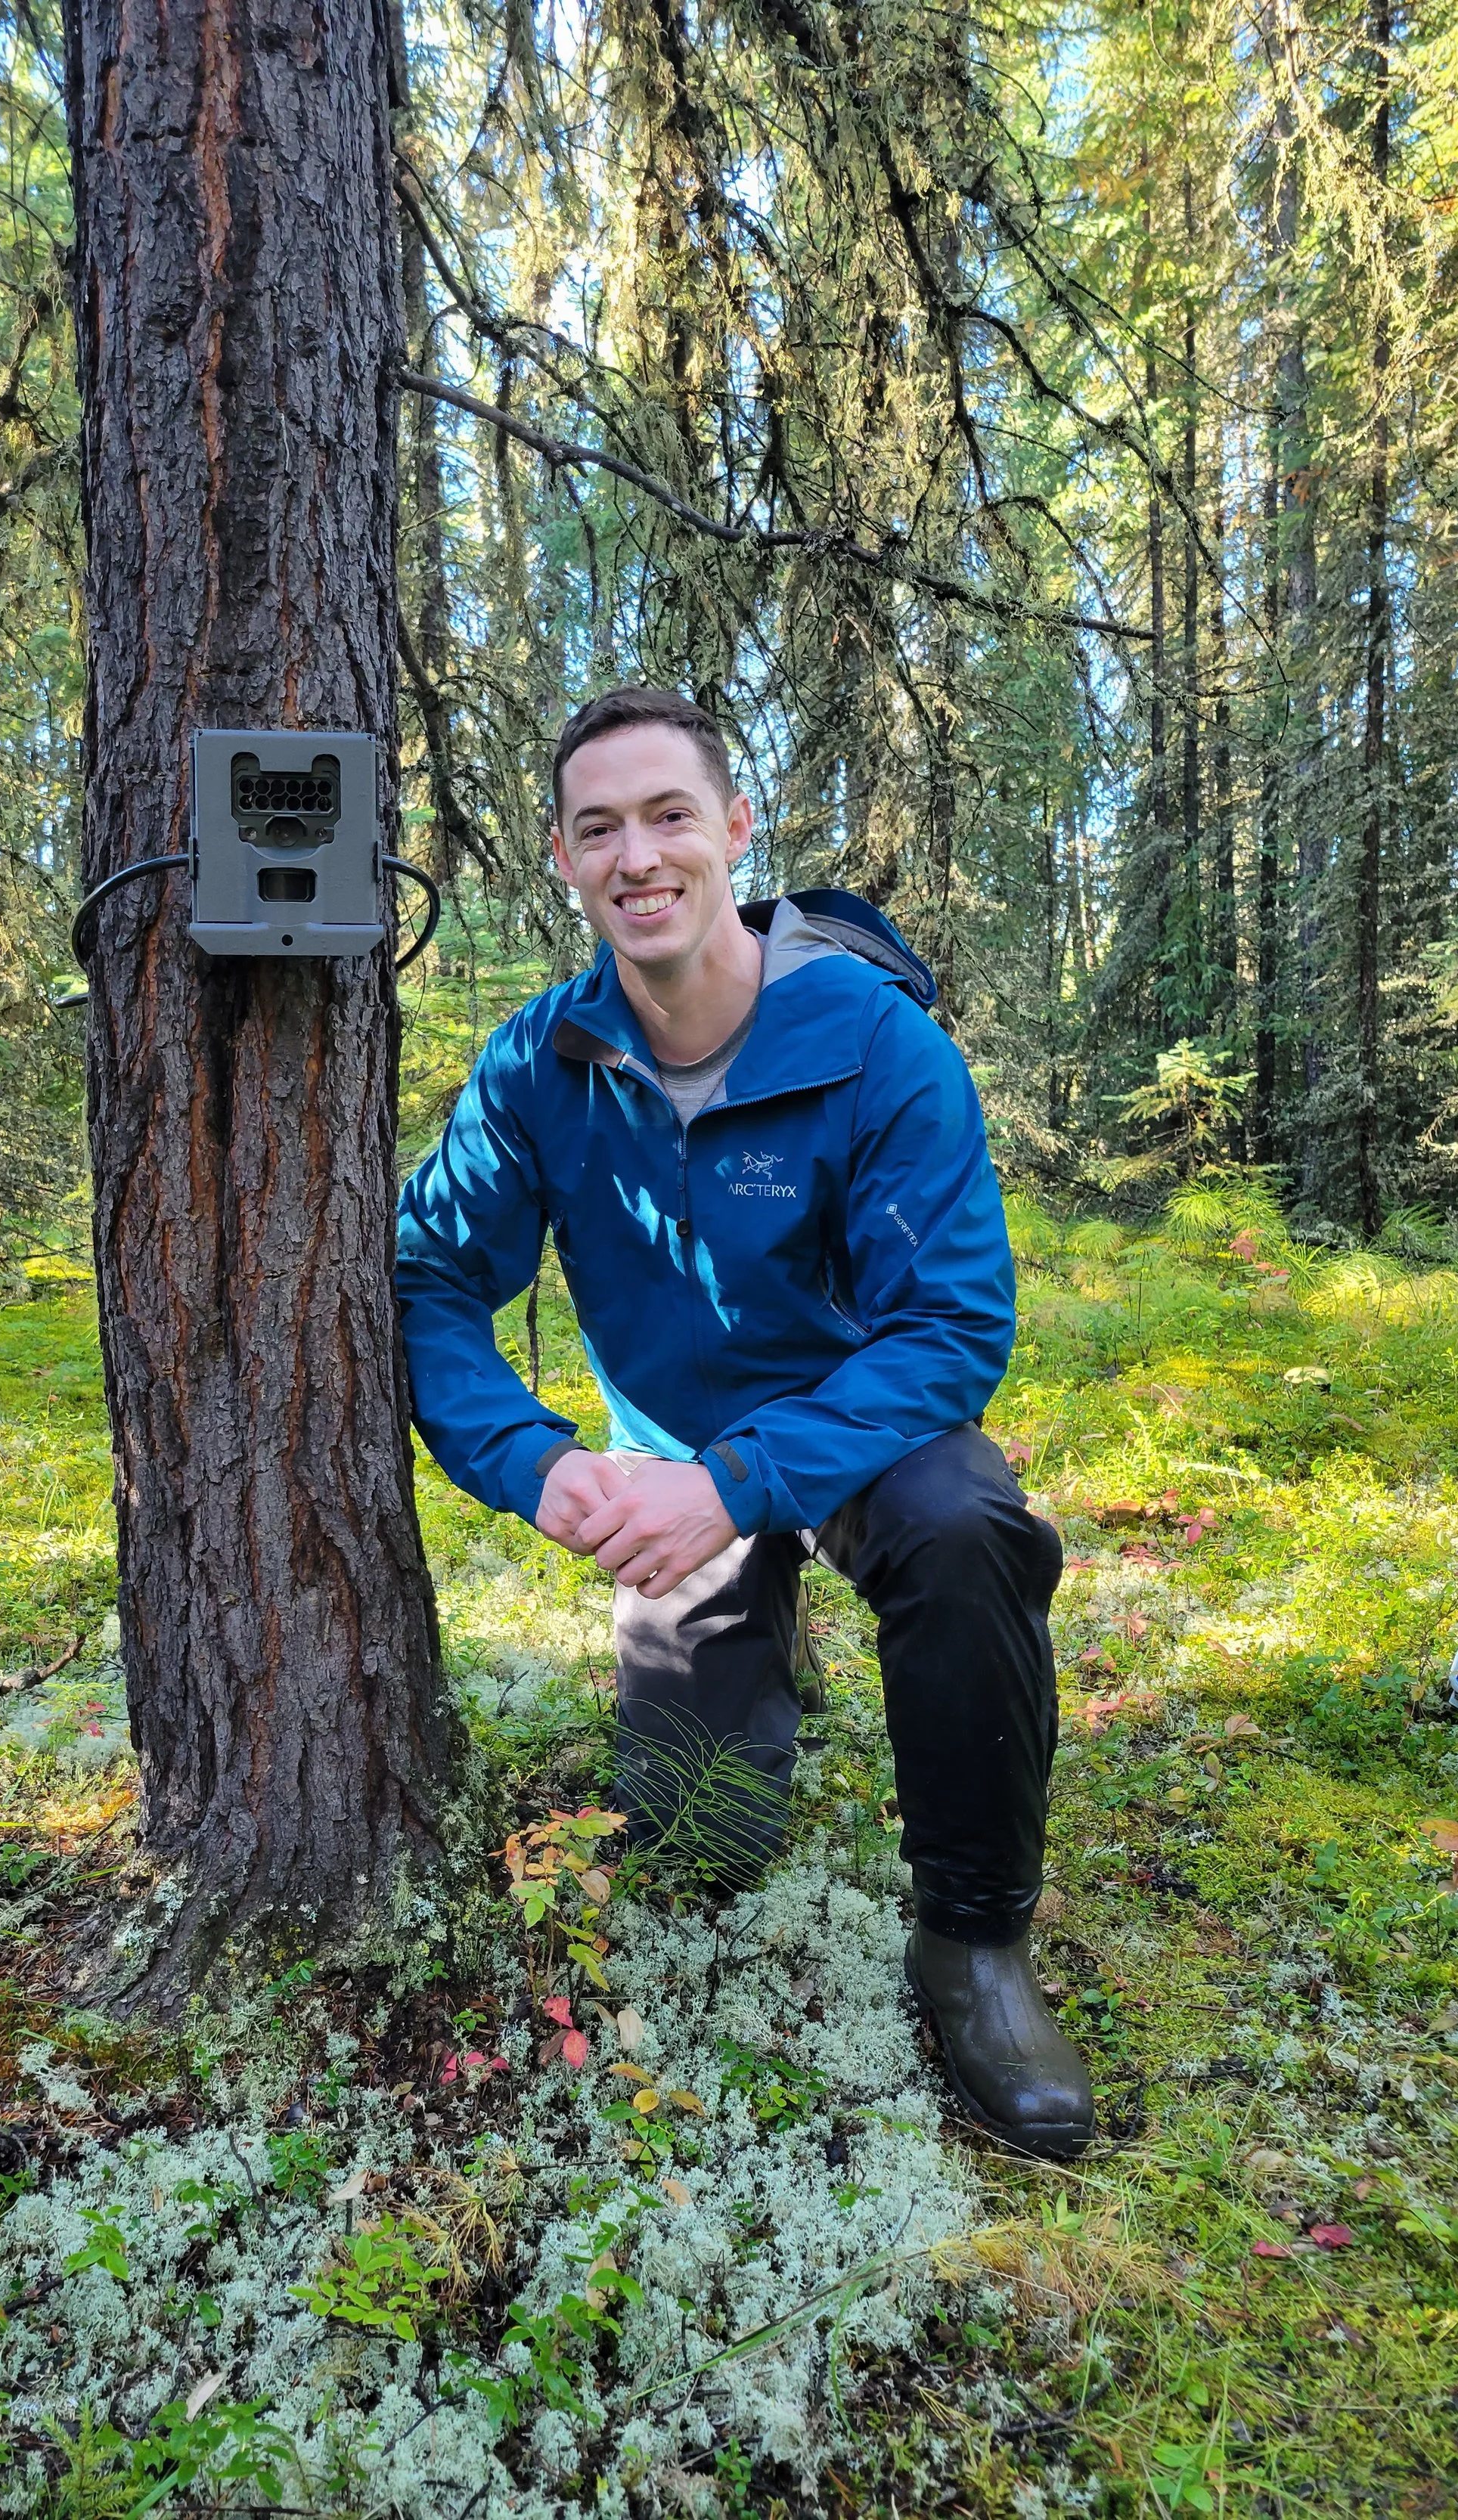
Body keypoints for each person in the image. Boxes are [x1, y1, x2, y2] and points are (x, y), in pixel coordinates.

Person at [396, 687, 1093, 2160]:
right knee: (698, 1839)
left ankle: (972, 1942)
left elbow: (952, 1326)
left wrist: (742, 1481)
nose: (637, 855)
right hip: (669, 1466)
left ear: (732, 828)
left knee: (964, 1529)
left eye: (667, 816)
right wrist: (532, 1459)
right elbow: (432, 1278)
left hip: (860, 1433)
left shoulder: (876, 1044)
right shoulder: (542, 1067)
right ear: (563, 858)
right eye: (600, 829)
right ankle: (751, 1637)